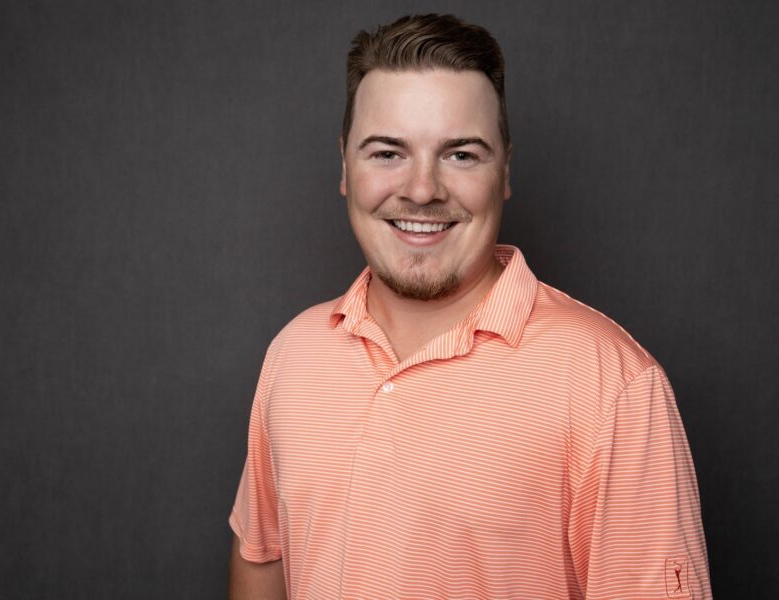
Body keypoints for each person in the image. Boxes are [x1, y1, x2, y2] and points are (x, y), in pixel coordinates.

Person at [227, 13, 712, 600]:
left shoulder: (614, 388)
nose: (422, 189)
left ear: (504, 169)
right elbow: (262, 557)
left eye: (460, 154)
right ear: (344, 166)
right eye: (387, 153)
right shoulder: (294, 355)